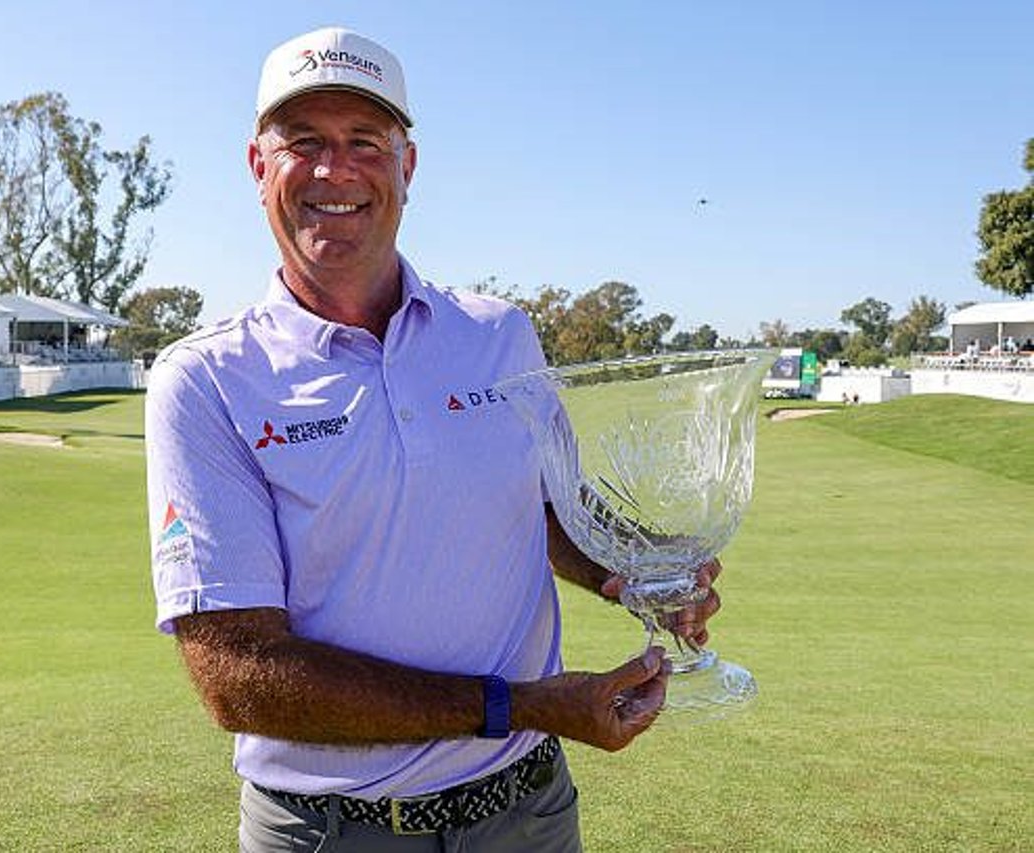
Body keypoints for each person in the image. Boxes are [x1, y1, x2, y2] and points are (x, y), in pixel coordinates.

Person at [145, 27, 723, 851]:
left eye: (364, 142)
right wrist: (516, 704)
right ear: (256, 166)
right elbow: (240, 676)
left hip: (527, 811)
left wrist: (646, 575)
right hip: (332, 830)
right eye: (303, 141)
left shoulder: (500, 336)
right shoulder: (204, 380)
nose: (333, 170)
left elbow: (549, 510)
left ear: (407, 166)